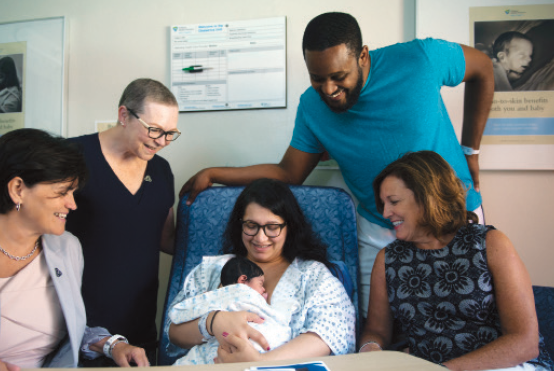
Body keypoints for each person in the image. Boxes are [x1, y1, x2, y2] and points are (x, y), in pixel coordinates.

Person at [179, 12, 494, 317]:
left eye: (338, 77)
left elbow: (483, 67)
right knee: (378, 327)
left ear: (363, 57)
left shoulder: (421, 59)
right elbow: (289, 173)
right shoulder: (312, 107)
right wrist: (214, 173)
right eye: (318, 79)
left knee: (469, 314)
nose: (328, 90)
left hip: (451, 215)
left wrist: (472, 150)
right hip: (379, 227)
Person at [0, 129, 149, 371]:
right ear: (18, 189)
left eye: (73, 192)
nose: (72, 204)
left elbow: (69, 330)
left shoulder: (67, 247)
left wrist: (111, 344)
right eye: (62, 192)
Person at [358, 151, 553, 371]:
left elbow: (525, 343)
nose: (385, 213)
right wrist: (370, 347)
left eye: (393, 201)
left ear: (427, 197)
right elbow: (377, 331)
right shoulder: (388, 260)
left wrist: (444, 369)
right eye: (383, 204)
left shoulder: (489, 244)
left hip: (504, 366)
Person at [167, 178, 355, 364]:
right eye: (251, 225)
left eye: (272, 227)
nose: (260, 237)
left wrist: (260, 362)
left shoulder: (313, 275)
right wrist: (212, 322)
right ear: (239, 224)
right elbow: (173, 330)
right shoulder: (211, 270)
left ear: (289, 227)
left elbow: (332, 333)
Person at [65, 78, 180, 366]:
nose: (162, 141)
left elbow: (166, 239)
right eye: (154, 129)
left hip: (139, 330)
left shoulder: (162, 171)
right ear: (123, 115)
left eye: (170, 133)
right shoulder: (71, 157)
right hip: (80, 329)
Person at [168, 256, 293, 365]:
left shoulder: (218, 295)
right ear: (243, 280)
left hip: (243, 352)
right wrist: (213, 321)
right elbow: (175, 319)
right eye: (261, 284)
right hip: (232, 346)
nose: (264, 290)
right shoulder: (229, 292)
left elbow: (183, 311)